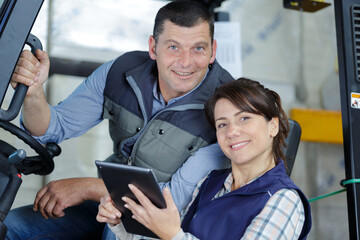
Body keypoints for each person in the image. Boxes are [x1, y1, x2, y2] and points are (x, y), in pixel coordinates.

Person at [5, 1, 234, 239]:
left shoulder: (227, 107)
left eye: (198, 48)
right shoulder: (122, 71)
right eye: (174, 47)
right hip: (107, 204)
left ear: (213, 51)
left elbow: (175, 198)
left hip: (167, 224)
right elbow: (52, 129)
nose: (186, 62)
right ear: (153, 48)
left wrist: (88, 188)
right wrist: (33, 92)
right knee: (13, 226)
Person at [97, 78, 312, 240]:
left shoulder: (283, 200)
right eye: (222, 124)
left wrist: (173, 235)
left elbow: (172, 236)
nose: (232, 132)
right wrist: (120, 223)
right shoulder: (210, 182)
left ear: (273, 125)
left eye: (244, 118)